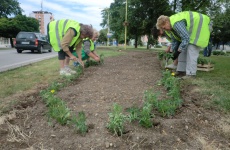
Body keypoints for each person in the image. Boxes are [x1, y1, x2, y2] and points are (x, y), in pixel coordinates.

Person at [156, 11, 211, 78]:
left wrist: (178, 51)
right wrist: (173, 52)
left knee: (191, 51)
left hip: (200, 29)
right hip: (191, 34)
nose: (165, 30)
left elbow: (186, 38)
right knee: (182, 50)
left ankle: (191, 74)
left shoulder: (176, 23)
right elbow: (175, 41)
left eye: (164, 27)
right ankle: (181, 71)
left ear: (166, 22)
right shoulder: (171, 28)